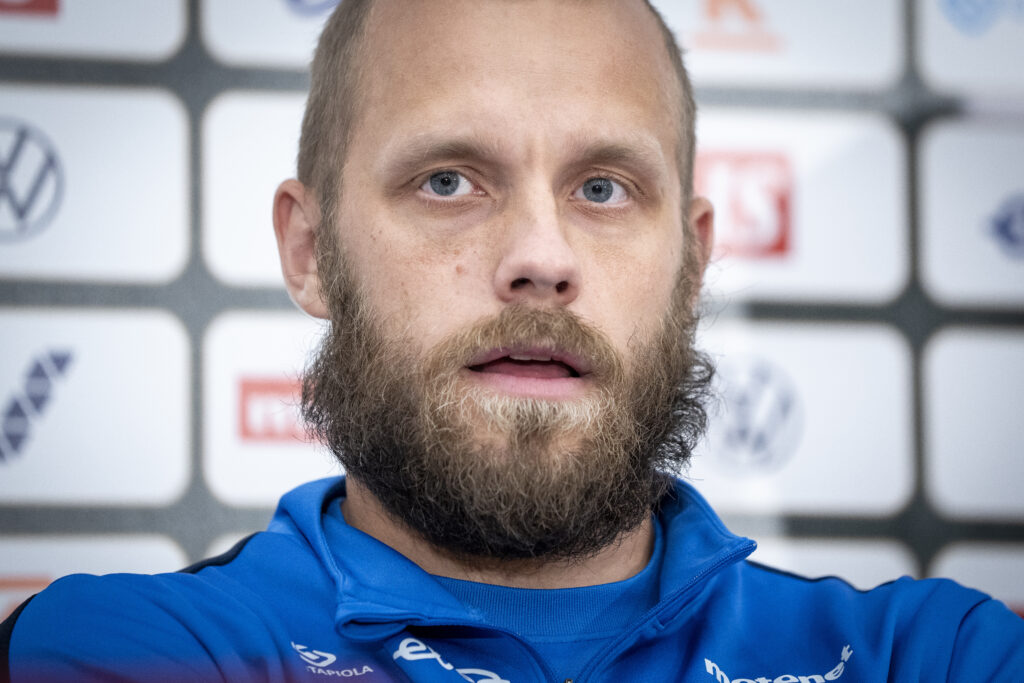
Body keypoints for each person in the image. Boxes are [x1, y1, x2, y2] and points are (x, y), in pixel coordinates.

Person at [3, 0, 1023, 681]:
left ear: (694, 258)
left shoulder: (926, 652)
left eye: (602, 188)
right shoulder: (142, 650)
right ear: (310, 250)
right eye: (448, 180)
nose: (542, 255)